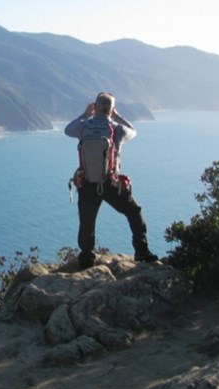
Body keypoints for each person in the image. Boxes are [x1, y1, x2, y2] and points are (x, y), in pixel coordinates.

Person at [65, 92, 158, 269]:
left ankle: (86, 260)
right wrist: (118, 117)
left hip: (86, 183)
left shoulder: (83, 127)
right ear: (111, 109)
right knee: (134, 212)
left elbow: (67, 129)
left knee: (87, 223)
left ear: (95, 107)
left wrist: (85, 114)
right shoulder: (117, 129)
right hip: (110, 184)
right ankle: (142, 251)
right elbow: (133, 131)